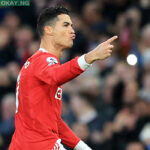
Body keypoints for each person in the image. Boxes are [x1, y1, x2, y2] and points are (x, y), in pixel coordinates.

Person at [9, 6, 117, 150]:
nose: (72, 30)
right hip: (40, 144)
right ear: (49, 30)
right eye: (65, 25)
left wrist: (83, 148)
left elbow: (54, 123)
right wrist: (91, 56)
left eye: (72, 25)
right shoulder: (43, 60)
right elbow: (56, 76)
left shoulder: (36, 64)